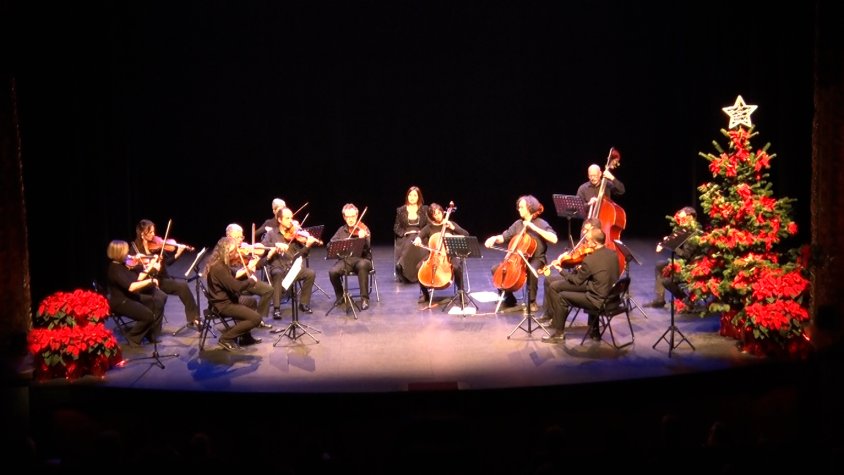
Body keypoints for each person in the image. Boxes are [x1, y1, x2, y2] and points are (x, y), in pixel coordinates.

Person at [541, 227, 620, 342]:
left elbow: (577, 281)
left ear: (594, 243)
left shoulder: (590, 260)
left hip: (598, 300)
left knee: (562, 296)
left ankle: (559, 334)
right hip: (612, 298)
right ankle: (594, 330)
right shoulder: (613, 254)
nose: (586, 244)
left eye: (587, 241)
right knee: (556, 286)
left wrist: (561, 270)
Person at [484, 195, 558, 312]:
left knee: (531, 270)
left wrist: (534, 227)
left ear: (530, 207)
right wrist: (494, 238)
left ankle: (532, 302)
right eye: (519, 207)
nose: (519, 209)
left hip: (537, 258)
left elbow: (554, 239)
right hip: (518, 258)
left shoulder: (540, 223)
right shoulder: (518, 224)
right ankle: (509, 298)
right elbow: (504, 236)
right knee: (496, 269)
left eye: (521, 207)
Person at [133, 219, 201, 330]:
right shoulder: (136, 250)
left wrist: (178, 254)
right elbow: (137, 272)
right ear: (142, 234)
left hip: (161, 278)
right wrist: (152, 266)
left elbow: (167, 263)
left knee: (182, 286)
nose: (153, 235)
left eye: (153, 232)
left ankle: (194, 318)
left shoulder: (157, 246)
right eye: (150, 232)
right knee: (180, 285)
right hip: (149, 282)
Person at [204, 236, 264, 351]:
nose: (235, 254)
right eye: (232, 252)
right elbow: (236, 287)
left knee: (251, 302)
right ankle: (226, 339)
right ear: (225, 252)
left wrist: (249, 267)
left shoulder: (222, 263)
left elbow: (233, 276)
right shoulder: (219, 267)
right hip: (223, 305)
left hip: (230, 299)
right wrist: (251, 281)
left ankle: (245, 337)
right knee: (256, 319)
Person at [105, 240, 166, 346]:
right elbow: (131, 287)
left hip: (129, 297)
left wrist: (149, 266)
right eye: (126, 251)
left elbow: (137, 279)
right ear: (119, 253)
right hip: (121, 302)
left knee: (156, 301)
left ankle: (150, 333)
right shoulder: (115, 269)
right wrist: (150, 281)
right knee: (148, 316)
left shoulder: (123, 265)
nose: (129, 253)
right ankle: (133, 337)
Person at [261, 207, 319, 315]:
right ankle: (277, 308)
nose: (291, 221)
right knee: (277, 273)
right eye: (287, 218)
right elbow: (262, 247)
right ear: (279, 219)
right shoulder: (271, 234)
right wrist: (275, 245)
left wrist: (307, 246)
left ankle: (303, 303)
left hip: (292, 267)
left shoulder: (295, 234)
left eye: (291, 218)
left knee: (310, 273)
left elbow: (303, 254)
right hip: (277, 267)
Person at [540, 218, 601, 319]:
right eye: (583, 229)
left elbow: (591, 271)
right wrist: (565, 258)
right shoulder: (585, 244)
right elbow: (574, 260)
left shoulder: (597, 248)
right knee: (548, 280)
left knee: (554, 286)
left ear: (595, 230)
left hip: (583, 282)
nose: (584, 232)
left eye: (587, 230)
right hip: (575, 276)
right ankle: (549, 314)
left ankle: (557, 319)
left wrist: (579, 266)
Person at [644, 206, 700, 308]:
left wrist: (673, 247)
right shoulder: (684, 229)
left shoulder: (694, 233)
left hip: (691, 266)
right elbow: (674, 238)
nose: (680, 221)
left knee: (667, 281)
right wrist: (663, 243)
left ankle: (685, 301)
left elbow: (687, 255)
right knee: (659, 265)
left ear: (690, 217)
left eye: (683, 219)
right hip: (683, 261)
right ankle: (660, 299)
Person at [413, 202, 469, 304]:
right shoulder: (429, 227)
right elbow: (419, 236)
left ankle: (461, 293)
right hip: (434, 255)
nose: (438, 215)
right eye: (435, 214)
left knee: (456, 267)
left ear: (443, 212)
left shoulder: (449, 224)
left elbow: (466, 234)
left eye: (439, 212)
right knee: (418, 267)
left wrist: (453, 228)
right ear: (431, 216)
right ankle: (425, 294)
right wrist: (417, 239)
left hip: (450, 254)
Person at [225, 223, 275, 328]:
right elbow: (232, 276)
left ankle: (258, 319)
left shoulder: (244, 249)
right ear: (229, 237)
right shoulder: (225, 252)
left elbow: (259, 265)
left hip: (248, 281)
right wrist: (248, 267)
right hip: (235, 286)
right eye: (237, 237)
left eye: (241, 236)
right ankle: (249, 321)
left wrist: (268, 256)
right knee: (248, 300)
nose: (241, 240)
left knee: (268, 290)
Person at [327, 203, 373, 310]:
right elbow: (330, 245)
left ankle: (364, 299)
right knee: (332, 272)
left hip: (362, 259)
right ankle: (340, 296)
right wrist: (335, 245)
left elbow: (368, 248)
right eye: (348, 217)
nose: (350, 219)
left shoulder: (363, 229)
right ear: (344, 217)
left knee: (362, 266)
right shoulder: (341, 230)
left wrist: (364, 239)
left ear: (357, 216)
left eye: (353, 216)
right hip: (345, 260)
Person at [394, 186, 430, 283]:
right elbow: (396, 227)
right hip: (405, 237)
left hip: (421, 236)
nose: (412, 197)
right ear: (407, 196)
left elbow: (428, 225)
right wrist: (405, 232)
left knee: (415, 237)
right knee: (412, 237)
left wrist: (421, 233)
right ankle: (404, 270)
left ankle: (401, 264)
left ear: (419, 197)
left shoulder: (425, 209)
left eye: (415, 195)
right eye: (410, 195)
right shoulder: (401, 210)